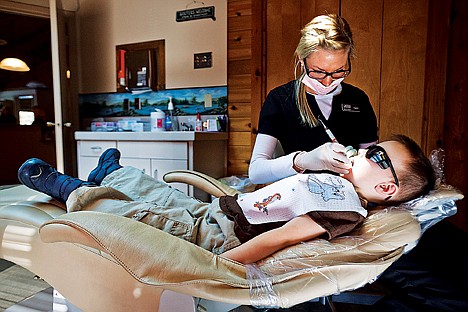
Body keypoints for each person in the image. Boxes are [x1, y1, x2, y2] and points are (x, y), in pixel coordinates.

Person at [17, 135, 435, 264]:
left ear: (386, 189)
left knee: (142, 215)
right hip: (225, 208)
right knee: (163, 193)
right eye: (372, 145)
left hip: (221, 239)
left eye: (378, 156)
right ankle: (113, 174)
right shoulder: (334, 178)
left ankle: (72, 189)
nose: (365, 152)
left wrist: (221, 267)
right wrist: (309, 160)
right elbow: (273, 187)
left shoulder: (346, 211)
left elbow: (282, 237)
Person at [249, 14, 378, 185]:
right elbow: (256, 172)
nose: (327, 81)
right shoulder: (280, 100)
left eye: (339, 71)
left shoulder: (358, 100)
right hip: (299, 196)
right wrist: (302, 160)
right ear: (302, 61)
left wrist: (362, 163)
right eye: (318, 71)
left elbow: (371, 160)